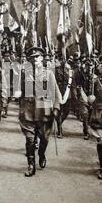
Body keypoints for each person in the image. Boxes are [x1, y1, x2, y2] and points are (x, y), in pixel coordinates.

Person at [18, 46, 61, 177]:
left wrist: (56, 107)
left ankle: (41, 154)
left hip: (44, 111)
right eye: (32, 57)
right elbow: (20, 91)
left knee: (44, 139)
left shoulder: (49, 74)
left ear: (42, 58)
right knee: (30, 139)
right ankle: (31, 165)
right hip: (28, 110)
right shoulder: (25, 73)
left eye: (37, 57)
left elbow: (55, 92)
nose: (34, 59)